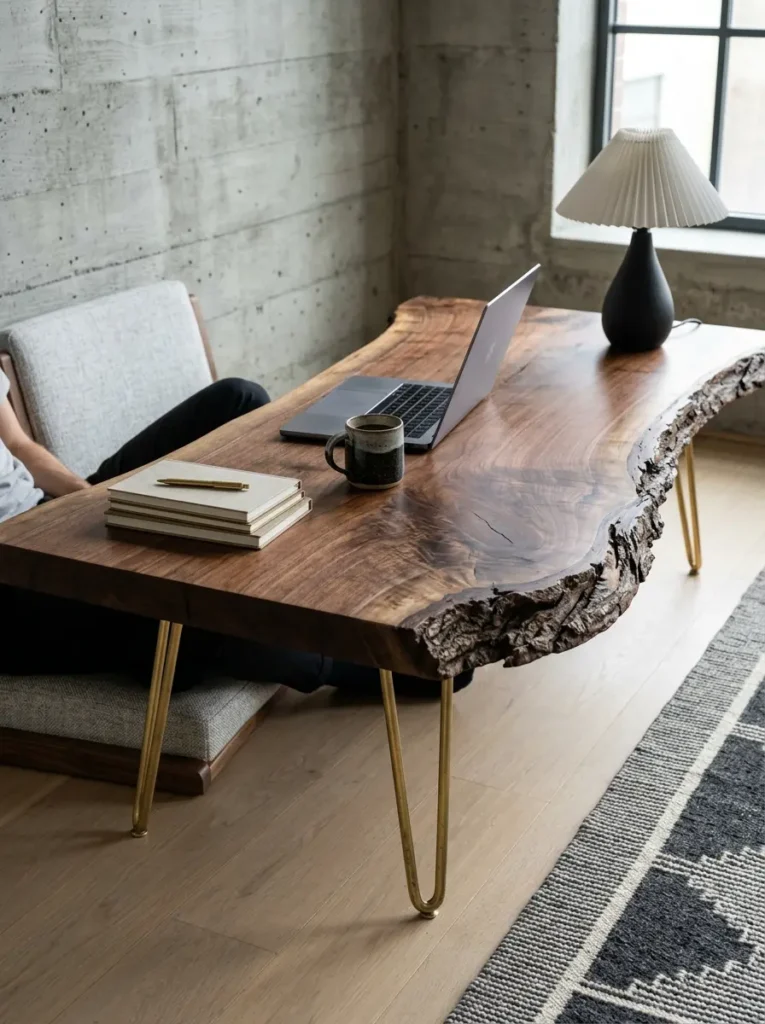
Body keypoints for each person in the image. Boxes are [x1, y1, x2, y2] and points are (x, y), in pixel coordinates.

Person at [0, 370, 472, 697]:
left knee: (237, 398)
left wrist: (87, 500)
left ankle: (291, 551)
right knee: (183, 608)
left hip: (46, 519)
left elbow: (18, 446)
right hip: (15, 584)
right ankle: (364, 663)